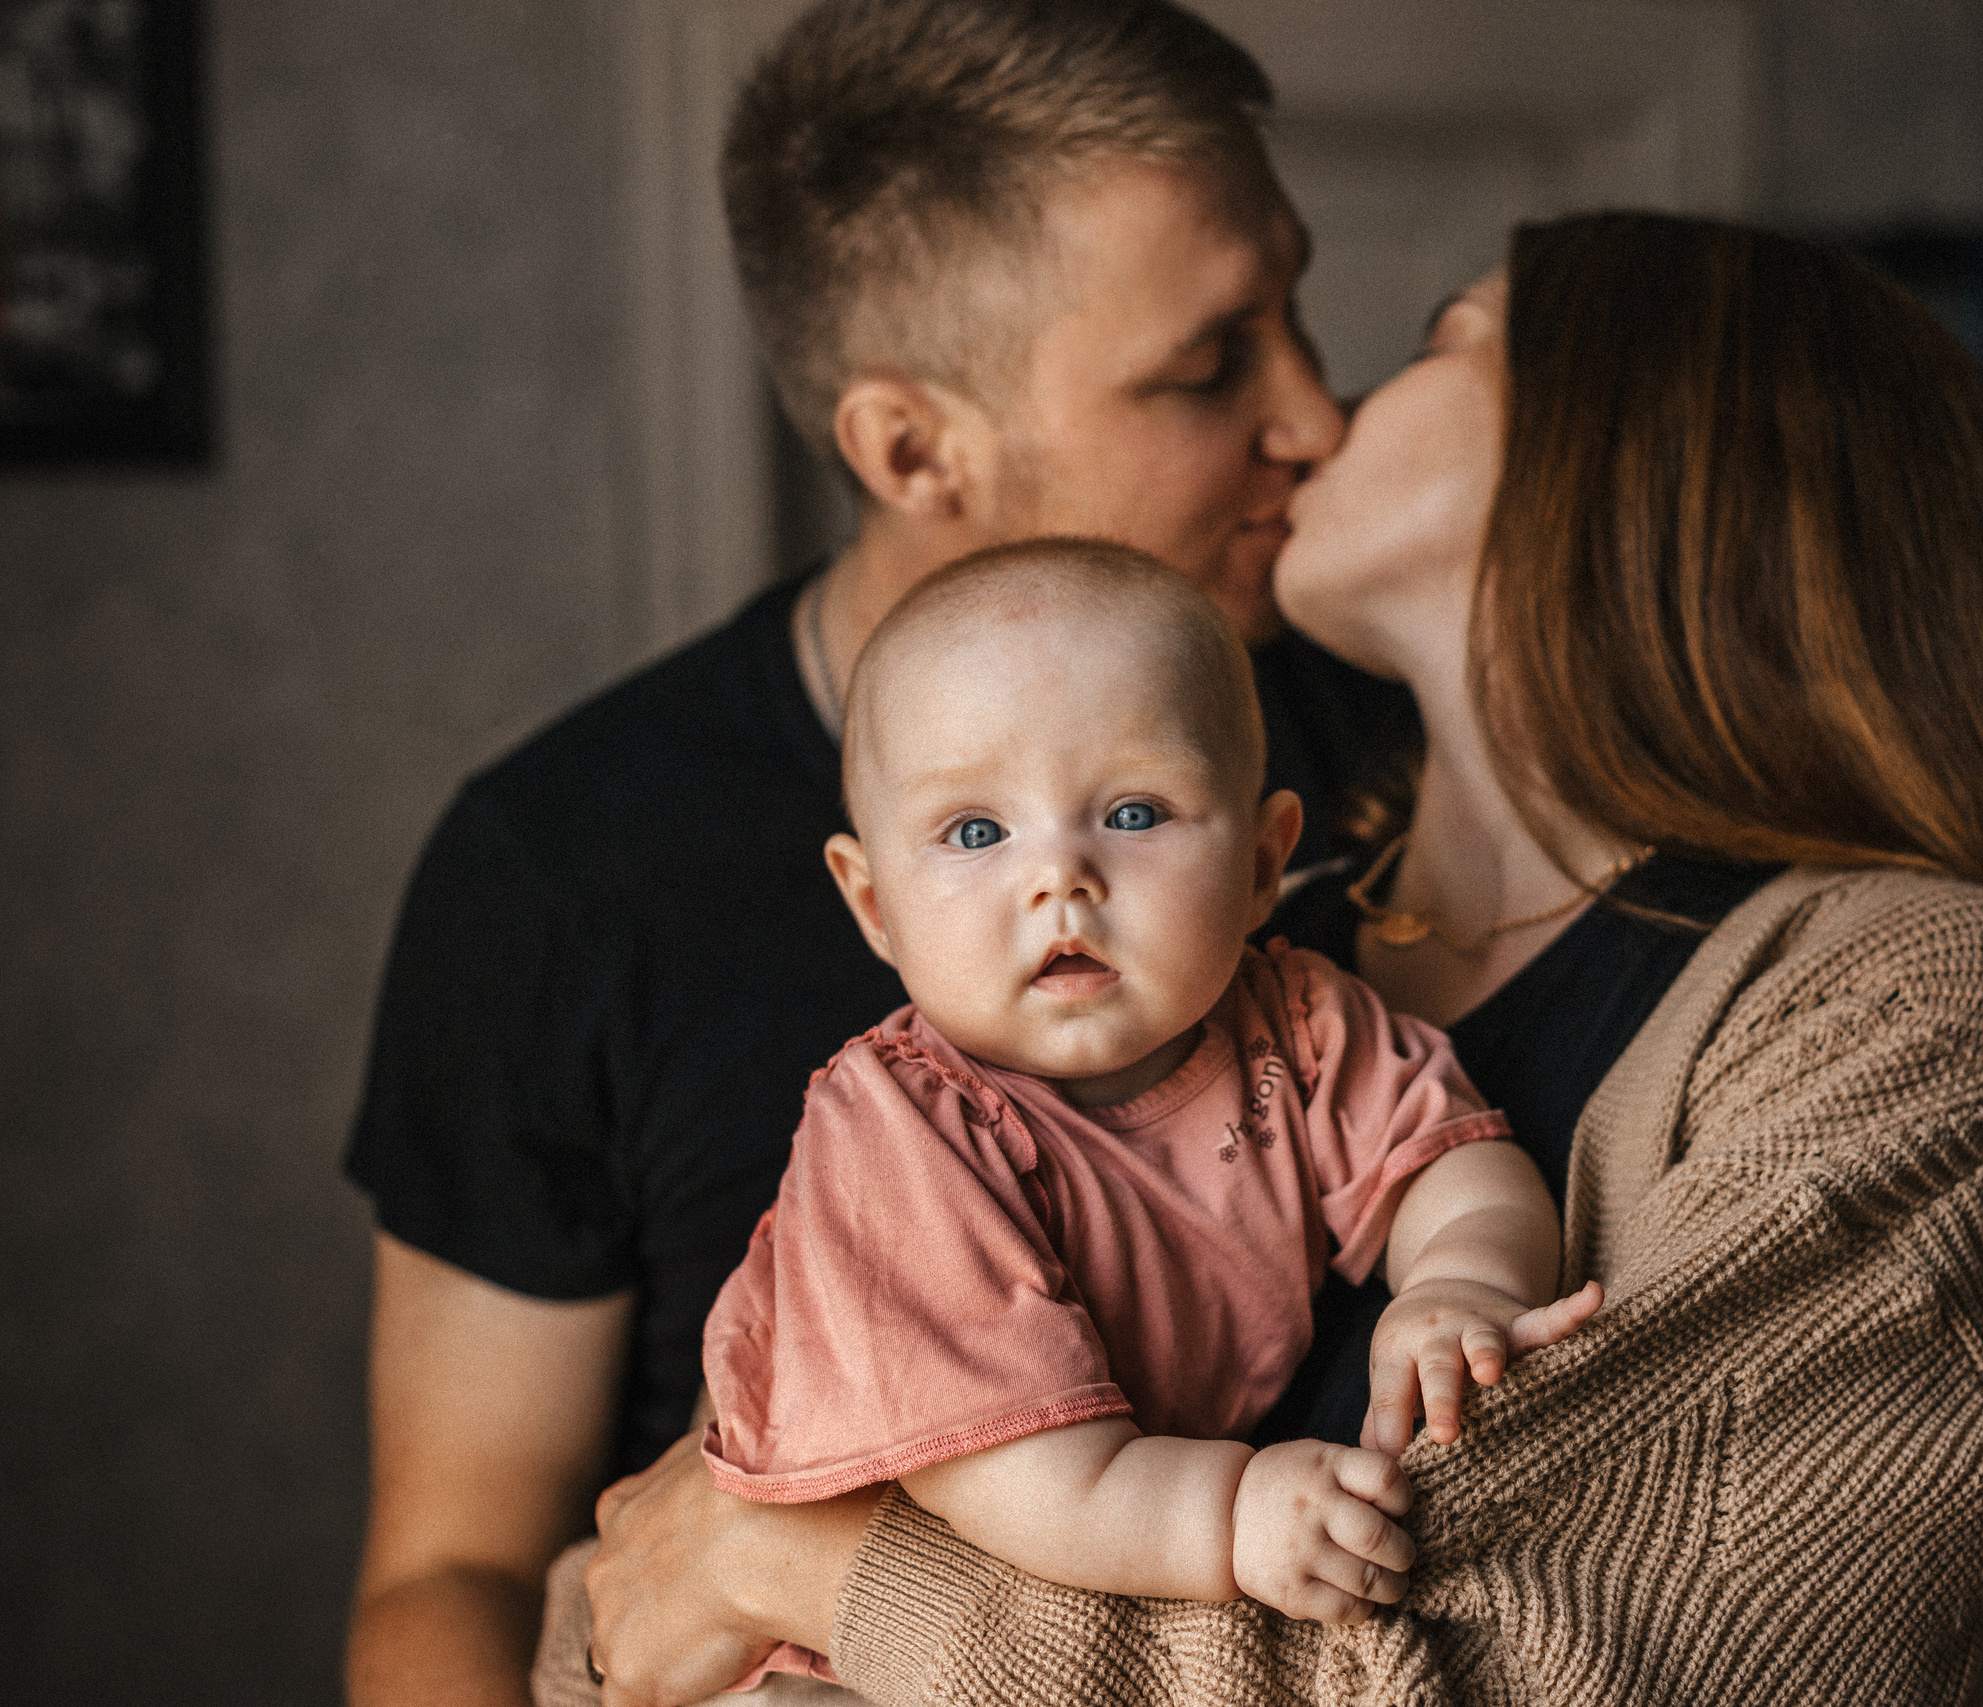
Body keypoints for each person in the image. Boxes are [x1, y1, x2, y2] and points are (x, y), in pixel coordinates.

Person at [582, 213, 1983, 1706]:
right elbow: (632, 1586)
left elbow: (1556, 1670)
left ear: (1643, 465)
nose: (1316, 413)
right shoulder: (1240, 951)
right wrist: (652, 1587)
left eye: (1442, 338)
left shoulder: (1911, 991)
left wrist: (801, 1564)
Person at [341, 5, 1412, 1703]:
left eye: (1297, 310)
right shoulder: (560, 871)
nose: (1315, 418)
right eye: (1210, 364)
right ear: (913, 448)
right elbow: (452, 1569)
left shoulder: (1380, 739)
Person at [660, 540, 1597, 1695]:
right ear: (874, 904)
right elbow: (1026, 1481)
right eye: (973, 832)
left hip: (1073, 1595)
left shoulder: (1293, 1026)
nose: (1061, 879)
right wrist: (1233, 1516)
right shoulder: (898, 1129)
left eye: (1136, 812)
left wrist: (1463, 1283)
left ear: (1262, 865)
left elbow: (1452, 1162)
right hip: (831, 1625)